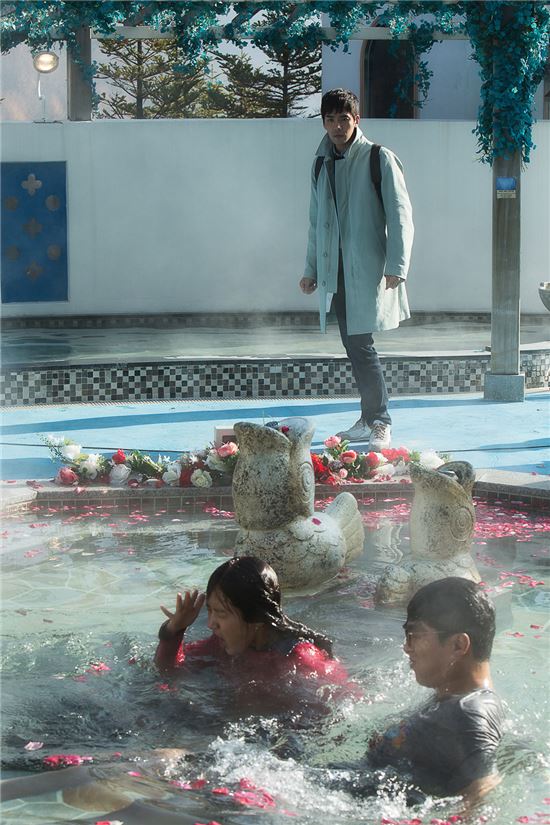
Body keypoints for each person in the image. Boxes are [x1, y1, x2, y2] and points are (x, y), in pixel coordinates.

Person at [300, 88, 414, 449]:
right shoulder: (321, 163)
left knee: (361, 345)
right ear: (323, 121)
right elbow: (317, 222)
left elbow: (400, 217)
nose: (336, 126)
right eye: (330, 119)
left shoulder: (378, 158)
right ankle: (368, 418)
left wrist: (397, 264)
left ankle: (379, 420)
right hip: (336, 272)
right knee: (354, 346)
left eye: (343, 118)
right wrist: (312, 269)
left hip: (367, 270)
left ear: (356, 120)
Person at [367, 577, 504, 807]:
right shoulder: (457, 700)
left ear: (458, 645)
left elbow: (483, 790)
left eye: (414, 635)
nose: (406, 647)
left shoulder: (469, 711)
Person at [155, 556, 351, 694]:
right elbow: (169, 670)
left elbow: (347, 699)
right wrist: (174, 630)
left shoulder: (302, 659)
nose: (210, 624)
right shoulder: (219, 645)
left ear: (255, 617)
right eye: (210, 611)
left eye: (221, 613)